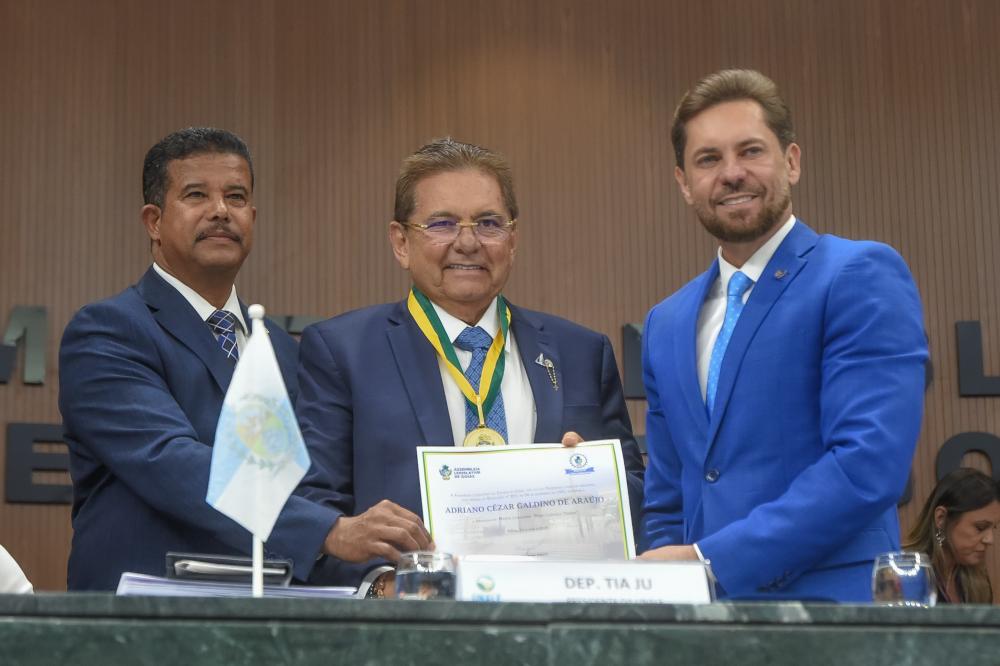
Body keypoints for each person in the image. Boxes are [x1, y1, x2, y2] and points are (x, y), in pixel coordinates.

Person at [296, 138, 644, 592]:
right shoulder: (342, 350)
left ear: (512, 241)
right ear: (401, 242)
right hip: (410, 629)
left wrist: (598, 487)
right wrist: (382, 583)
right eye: (441, 223)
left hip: (554, 620)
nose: (467, 241)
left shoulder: (581, 352)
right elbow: (314, 507)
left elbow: (638, 493)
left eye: (488, 223)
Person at [638, 69, 929, 601]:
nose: (731, 174)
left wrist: (711, 563)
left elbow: (867, 466)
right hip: (703, 632)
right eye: (708, 159)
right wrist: (672, 591)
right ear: (683, 183)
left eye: (751, 151)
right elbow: (668, 495)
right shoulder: (667, 322)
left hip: (833, 621)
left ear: (791, 162)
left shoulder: (857, 274)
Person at [59, 128, 342, 590]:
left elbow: (313, 482)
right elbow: (169, 461)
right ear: (153, 220)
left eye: (236, 196)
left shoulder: (285, 353)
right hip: (144, 622)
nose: (220, 211)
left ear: (253, 216)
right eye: (196, 195)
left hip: (274, 622)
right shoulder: (107, 330)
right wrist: (327, 532)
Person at [904, 468, 1000, 604]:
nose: (990, 540)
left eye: (993, 528)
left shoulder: (978, 582)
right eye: (981, 527)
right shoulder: (907, 574)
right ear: (941, 518)